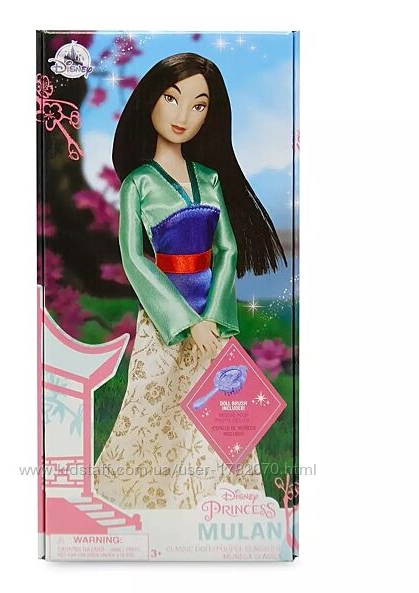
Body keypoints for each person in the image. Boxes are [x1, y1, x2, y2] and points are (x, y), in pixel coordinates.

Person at [93, 52, 286, 510]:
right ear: (150, 101)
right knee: (153, 407)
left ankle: (216, 504)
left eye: (199, 105)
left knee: (221, 412)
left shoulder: (209, 179)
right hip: (165, 319)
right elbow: (134, 258)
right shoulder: (139, 184)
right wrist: (185, 321)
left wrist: (213, 316)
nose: (183, 115)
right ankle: (148, 503)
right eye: (172, 98)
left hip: (211, 321)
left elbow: (227, 249)